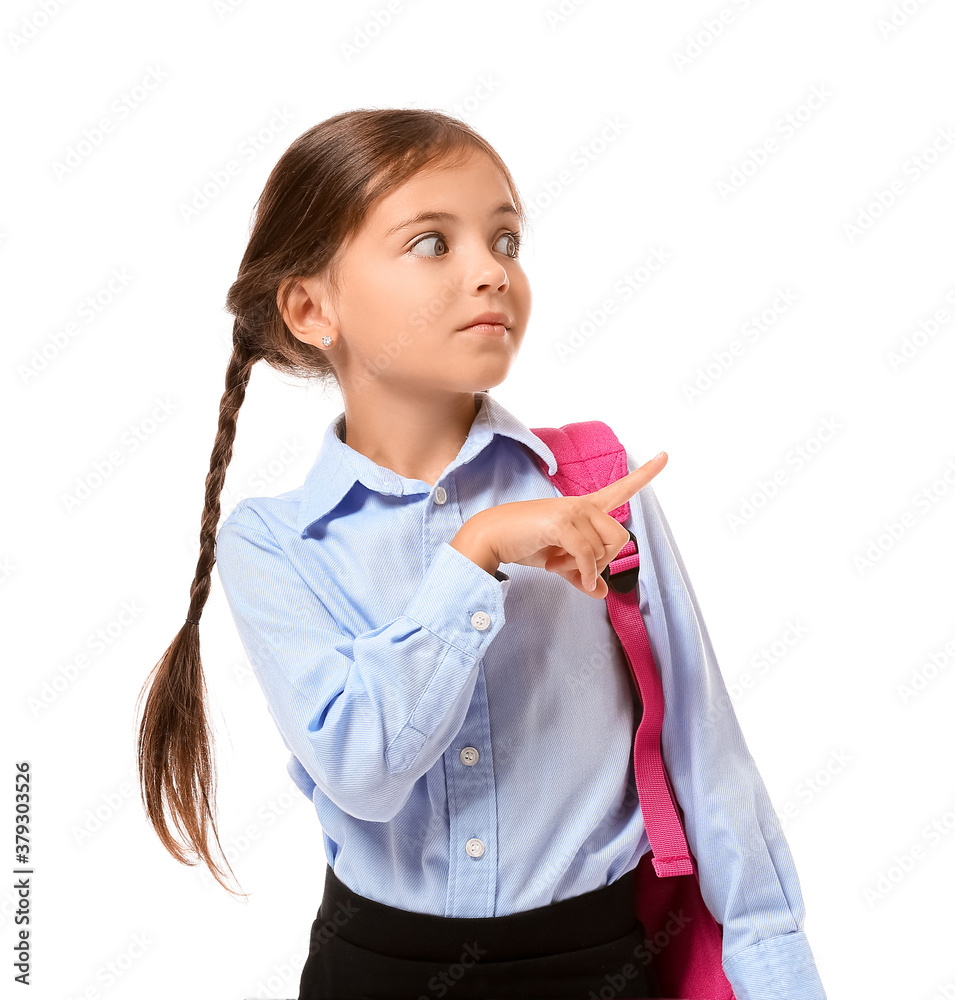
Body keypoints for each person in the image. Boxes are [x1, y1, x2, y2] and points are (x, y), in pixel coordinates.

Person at [136, 108, 827, 999]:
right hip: (374, 971)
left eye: (504, 237)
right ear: (313, 308)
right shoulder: (274, 543)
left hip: (598, 962)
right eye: (432, 243)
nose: (491, 271)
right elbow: (364, 772)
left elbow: (711, 761)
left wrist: (781, 977)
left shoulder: (597, 483)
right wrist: (476, 553)